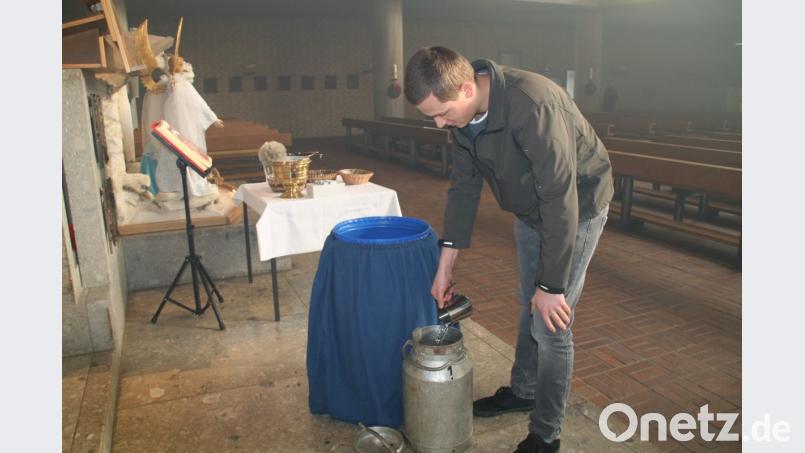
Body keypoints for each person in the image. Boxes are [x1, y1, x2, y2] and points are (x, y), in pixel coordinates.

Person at [404, 46, 613, 453]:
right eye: (431, 116)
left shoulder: (532, 105)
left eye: (442, 112)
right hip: (530, 209)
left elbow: (560, 200)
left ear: (467, 88)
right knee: (527, 303)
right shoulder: (462, 121)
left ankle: (546, 433)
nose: (439, 123)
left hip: (578, 207)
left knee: (550, 322)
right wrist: (445, 266)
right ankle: (525, 390)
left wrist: (551, 286)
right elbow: (463, 190)